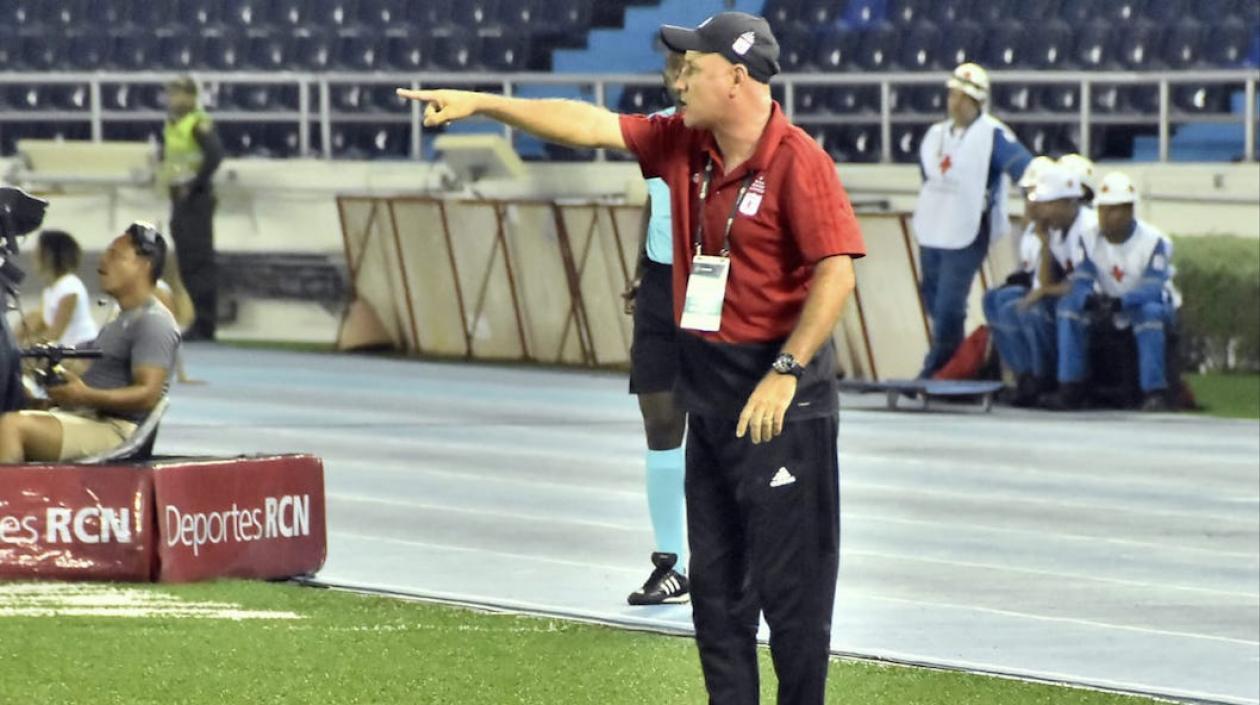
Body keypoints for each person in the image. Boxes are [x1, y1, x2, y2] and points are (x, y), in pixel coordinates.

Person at [398, 12, 865, 705]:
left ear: (736, 78)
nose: (679, 81)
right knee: (717, 598)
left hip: (781, 408)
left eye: (693, 68)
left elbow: (837, 274)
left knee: (793, 601)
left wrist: (785, 371)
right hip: (711, 397)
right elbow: (586, 123)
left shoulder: (799, 162)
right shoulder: (682, 142)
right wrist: (484, 104)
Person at [0, 223, 180, 463]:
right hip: (90, 415)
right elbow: (80, 363)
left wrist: (84, 396)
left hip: (114, 428)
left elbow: (148, 394)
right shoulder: (120, 318)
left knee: (11, 427)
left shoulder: (153, 321)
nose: (103, 262)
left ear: (144, 265)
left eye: (115, 255)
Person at [911, 63, 1033, 378]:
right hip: (933, 226)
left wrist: (1037, 198)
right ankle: (951, 362)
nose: (956, 103)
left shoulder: (992, 135)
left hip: (968, 229)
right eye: (953, 95)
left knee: (949, 304)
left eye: (964, 98)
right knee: (933, 298)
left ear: (978, 101)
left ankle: (938, 367)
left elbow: (1024, 168)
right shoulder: (935, 135)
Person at [621, 49, 689, 607]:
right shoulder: (658, 131)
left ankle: (731, 558)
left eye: (688, 66)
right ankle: (672, 563)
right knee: (660, 419)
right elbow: (654, 199)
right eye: (671, 69)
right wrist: (641, 267)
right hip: (662, 283)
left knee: (723, 425)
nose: (678, 78)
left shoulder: (735, 133)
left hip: (716, 281)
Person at [1052, 172, 1179, 411]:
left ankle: (1154, 392)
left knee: (1150, 314)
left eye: (1112, 210)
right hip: (1108, 303)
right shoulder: (1089, 239)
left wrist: (1123, 301)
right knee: (1069, 308)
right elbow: (1082, 278)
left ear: (1129, 210)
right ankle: (1070, 387)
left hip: (1144, 305)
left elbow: (1153, 286)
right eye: (1101, 209)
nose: (1104, 217)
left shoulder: (1154, 241)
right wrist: (1088, 299)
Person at [1016, 165, 1098, 407]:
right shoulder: (1057, 229)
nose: (1041, 211)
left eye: (1048, 204)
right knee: (1033, 309)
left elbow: (1087, 282)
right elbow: (1046, 282)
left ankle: (1071, 387)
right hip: (1078, 292)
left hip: (1103, 295)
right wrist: (1044, 244)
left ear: (1069, 202)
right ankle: (1040, 379)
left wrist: (1044, 291)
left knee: (1068, 307)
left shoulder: (1089, 227)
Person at [982, 155, 1052, 404]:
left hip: (1051, 290)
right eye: (1026, 194)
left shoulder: (1057, 226)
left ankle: (1039, 375)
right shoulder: (1031, 228)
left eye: (1033, 194)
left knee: (1017, 308)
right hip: (1035, 285)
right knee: (993, 299)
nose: (1028, 200)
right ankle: (1022, 374)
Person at [160, 75, 223, 342]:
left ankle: (206, 323)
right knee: (187, 263)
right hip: (179, 199)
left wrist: (195, 184)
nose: (172, 99)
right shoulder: (173, 124)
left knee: (199, 262)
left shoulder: (197, 123)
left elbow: (214, 155)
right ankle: (197, 319)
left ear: (190, 96)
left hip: (195, 200)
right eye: (170, 94)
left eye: (177, 93)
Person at [20, 230, 99, 348]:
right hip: (67, 350)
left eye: (37, 251)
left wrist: (25, 346)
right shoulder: (49, 291)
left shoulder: (69, 287)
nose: (33, 256)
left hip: (82, 350)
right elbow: (39, 323)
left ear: (48, 255)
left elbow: (55, 333)